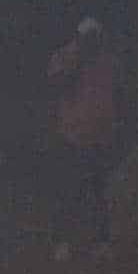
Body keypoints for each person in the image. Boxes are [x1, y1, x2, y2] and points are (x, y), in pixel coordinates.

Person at [44, 16, 123, 260]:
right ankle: (62, 241)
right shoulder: (66, 57)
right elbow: (56, 83)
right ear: (79, 38)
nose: (92, 42)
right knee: (70, 189)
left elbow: (118, 93)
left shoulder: (108, 61)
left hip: (100, 136)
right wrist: (74, 66)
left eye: (96, 38)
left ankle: (102, 242)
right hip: (72, 136)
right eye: (87, 38)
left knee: (99, 190)